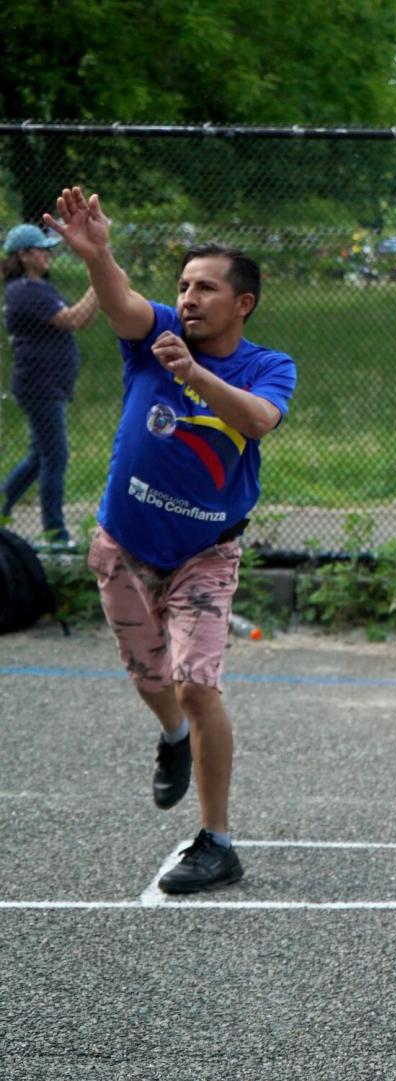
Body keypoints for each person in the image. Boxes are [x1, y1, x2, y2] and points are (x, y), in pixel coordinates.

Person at [44, 187, 297, 894]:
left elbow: (258, 421)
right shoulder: (154, 333)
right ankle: (174, 738)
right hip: (123, 543)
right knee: (152, 678)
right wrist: (98, 257)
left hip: (203, 553)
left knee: (194, 680)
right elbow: (123, 302)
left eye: (206, 288)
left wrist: (196, 375)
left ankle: (216, 841)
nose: (188, 298)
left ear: (242, 302)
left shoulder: (267, 365)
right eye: (184, 285)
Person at [1, 223, 99, 546]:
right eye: (42, 249)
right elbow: (71, 319)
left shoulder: (39, 288)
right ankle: (56, 534)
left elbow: (83, 320)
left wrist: (104, 286)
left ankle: (2, 507)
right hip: (39, 386)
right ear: (24, 255)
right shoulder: (25, 291)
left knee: (37, 457)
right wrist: (101, 281)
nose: (48, 254)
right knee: (55, 457)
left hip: (46, 385)